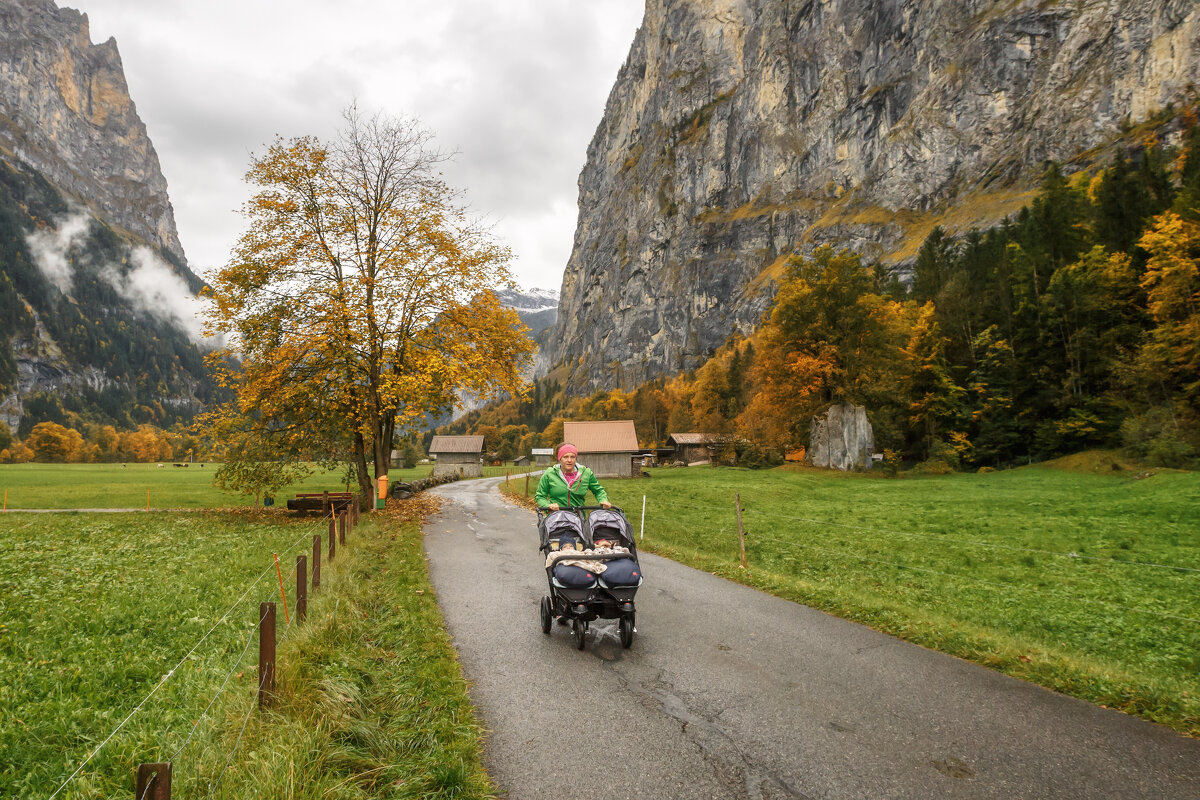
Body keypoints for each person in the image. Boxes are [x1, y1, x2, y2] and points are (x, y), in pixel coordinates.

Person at [535, 442, 611, 511]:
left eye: (572, 457)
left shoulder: (586, 473)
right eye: (565, 457)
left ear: (576, 458)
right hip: (555, 517)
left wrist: (603, 500)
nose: (569, 460)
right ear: (559, 459)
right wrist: (548, 505)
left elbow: (598, 491)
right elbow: (540, 496)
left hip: (578, 519)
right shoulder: (550, 473)